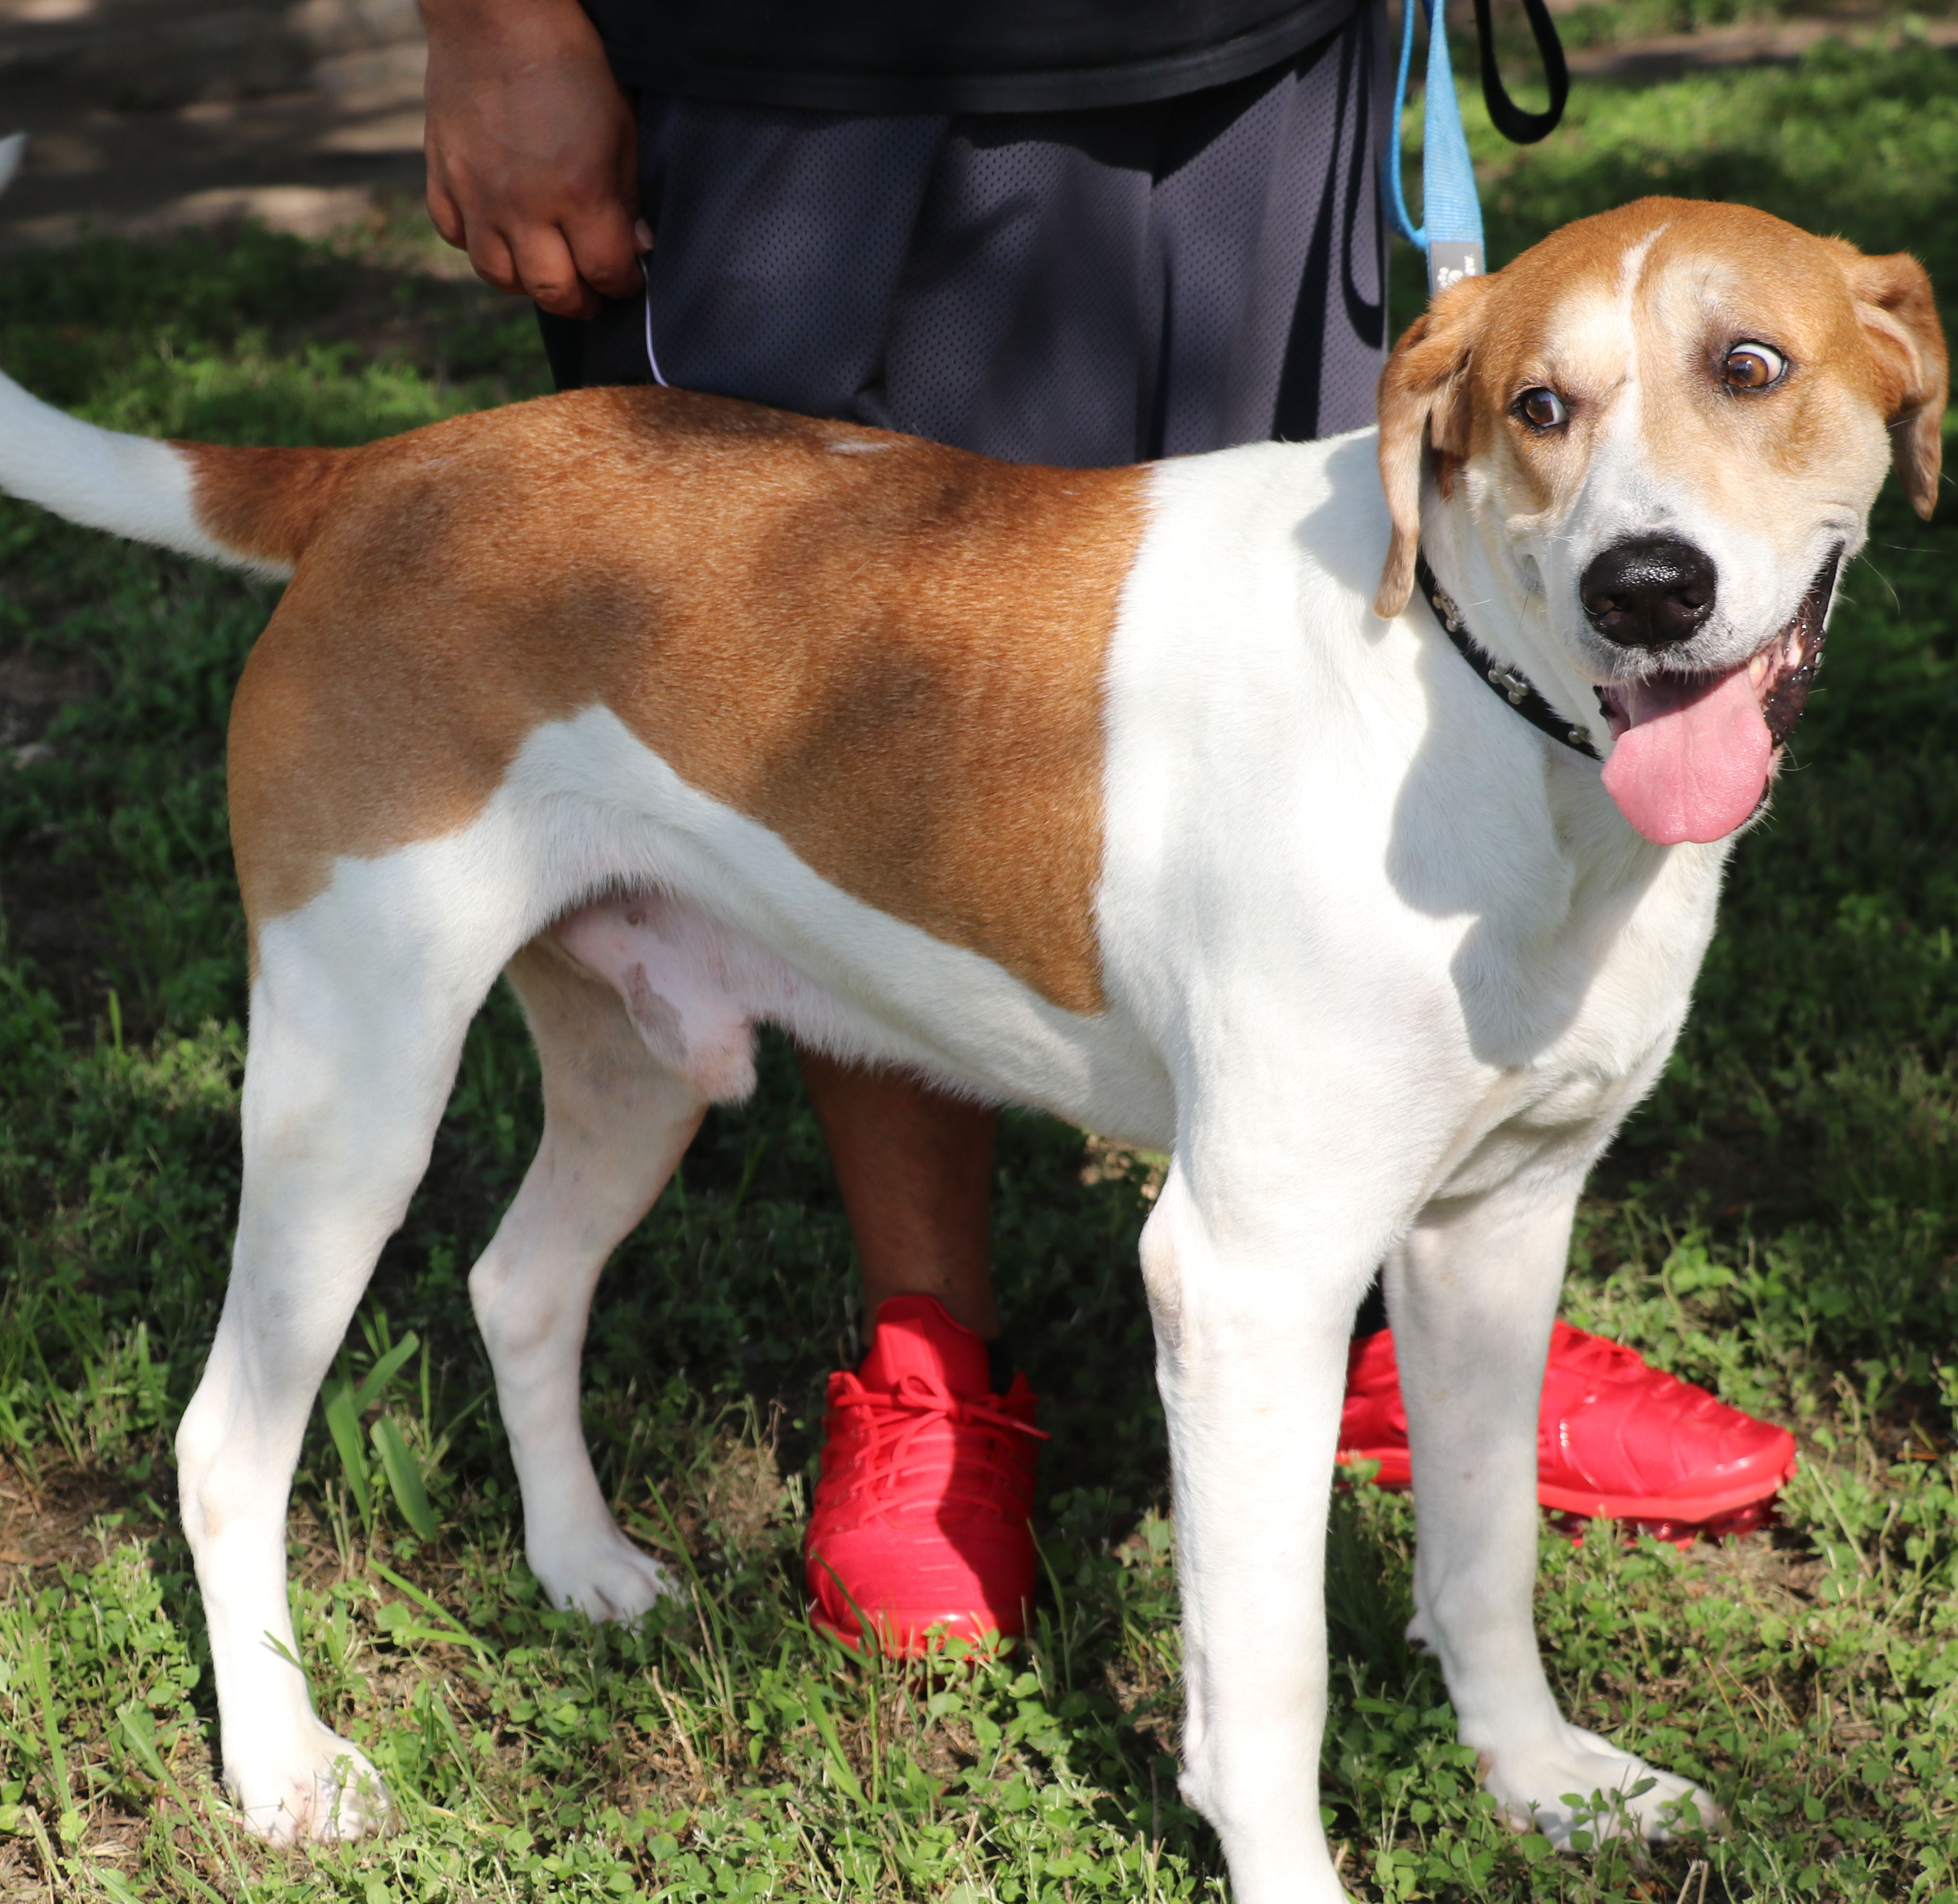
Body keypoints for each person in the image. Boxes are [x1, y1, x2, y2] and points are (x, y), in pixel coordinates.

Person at [417, 0, 1796, 1655]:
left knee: (1309, 651)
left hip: (1257, 51)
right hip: (806, 69)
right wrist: (498, 27)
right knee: (851, 709)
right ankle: (930, 1351)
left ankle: (1399, 1299)